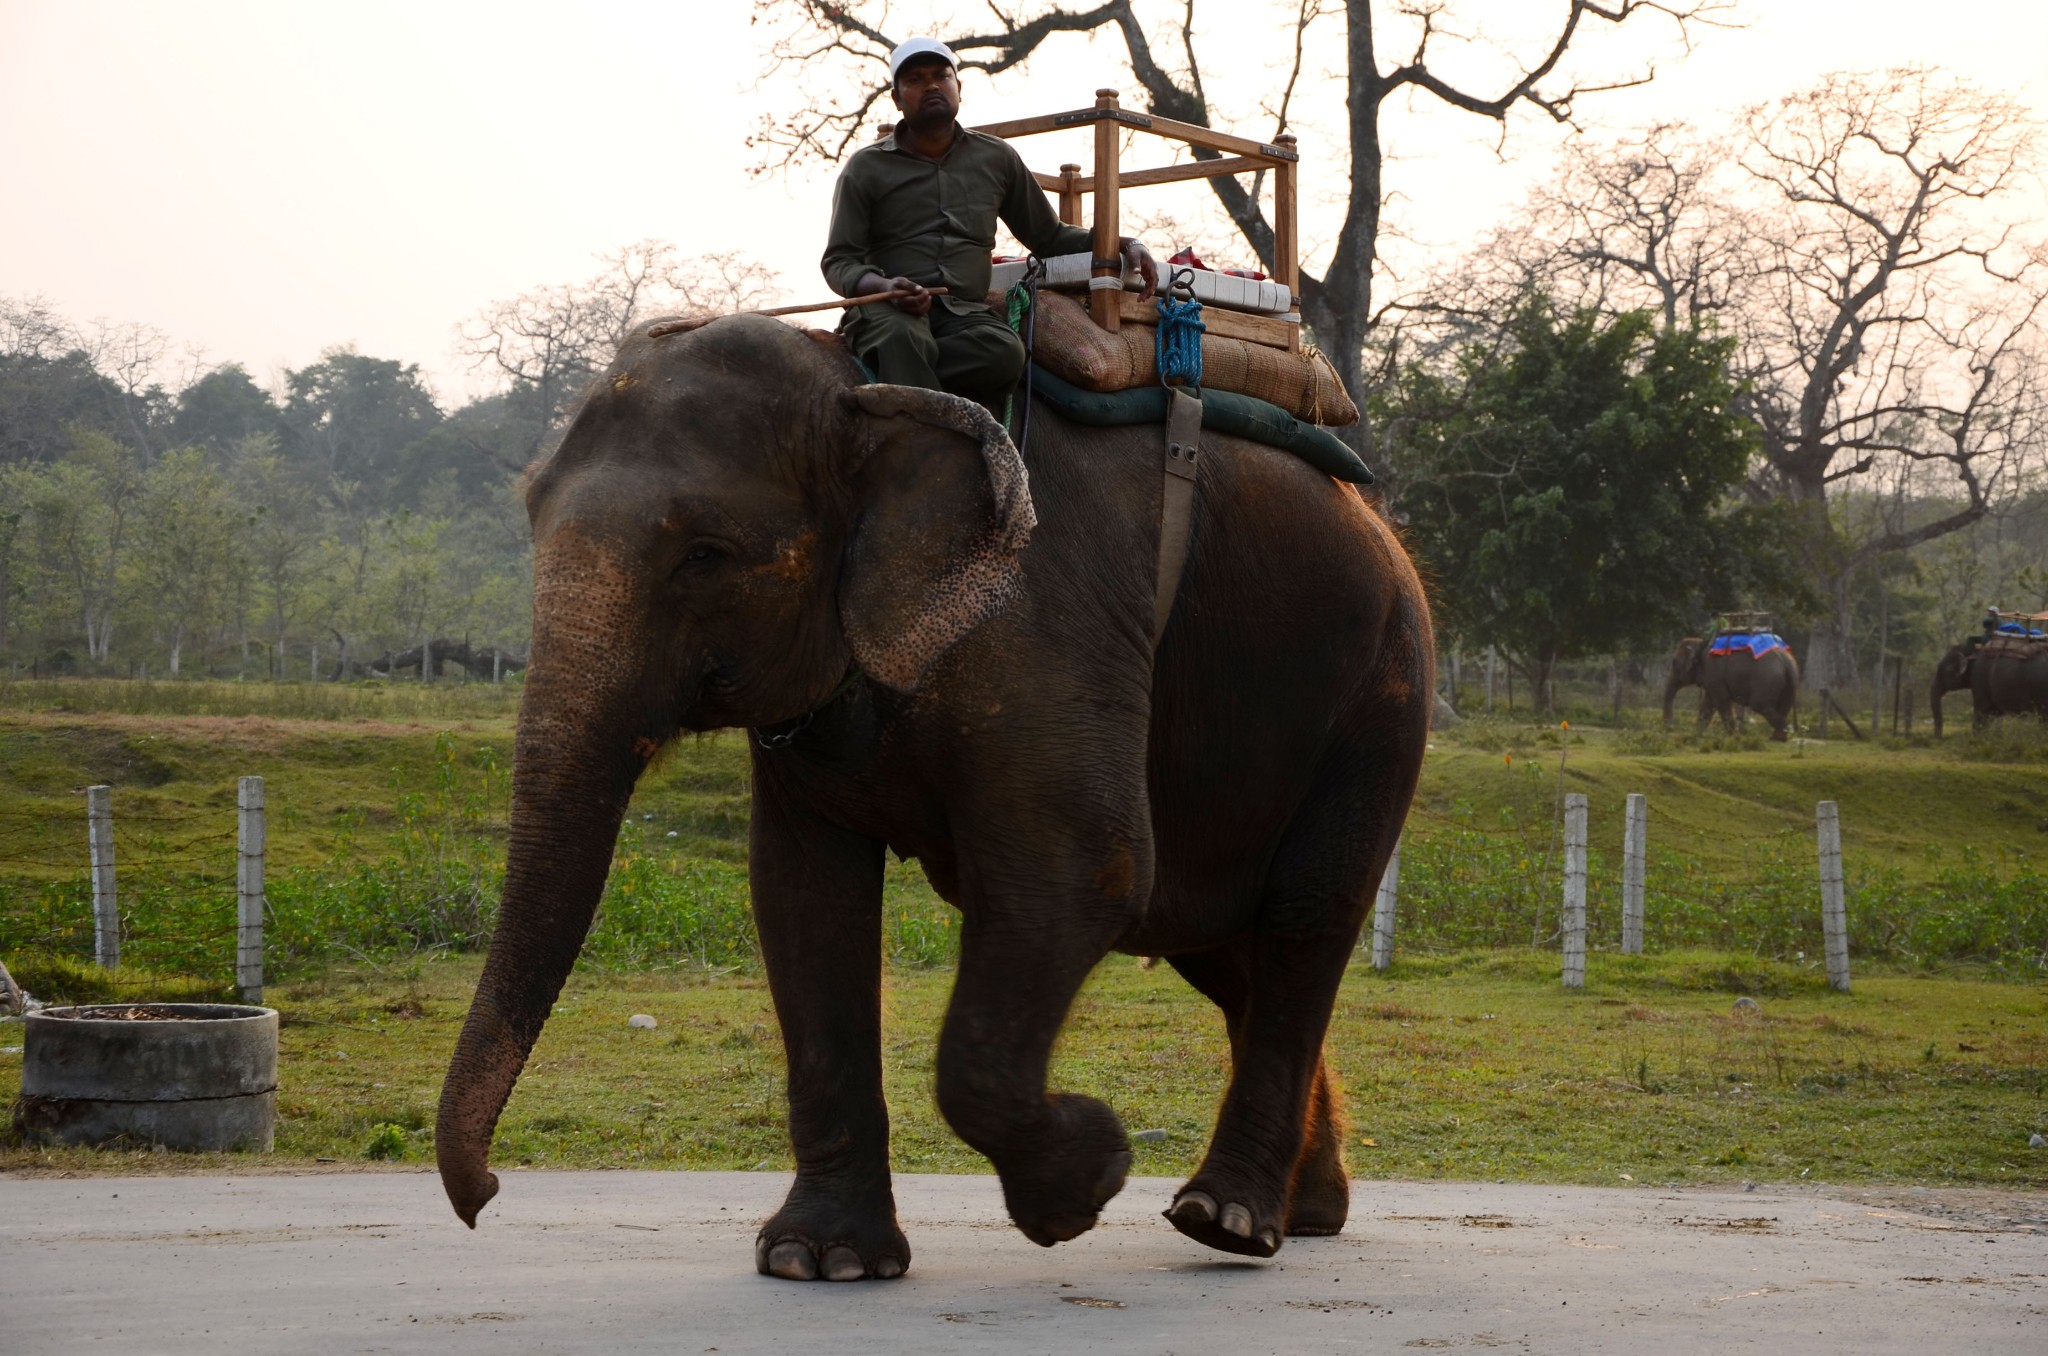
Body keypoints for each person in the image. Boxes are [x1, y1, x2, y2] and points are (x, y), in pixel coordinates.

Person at [822, 37, 1158, 412]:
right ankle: (931, 439)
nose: (931, 85)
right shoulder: (865, 167)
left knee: (1005, 352)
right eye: (915, 79)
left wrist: (1125, 243)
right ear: (897, 99)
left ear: (958, 89)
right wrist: (885, 287)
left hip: (964, 315)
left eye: (941, 76)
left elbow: (1048, 236)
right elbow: (839, 262)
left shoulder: (996, 158)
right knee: (902, 339)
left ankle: (909, 387)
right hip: (888, 311)